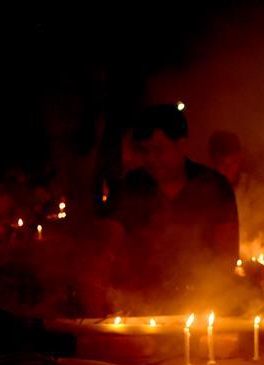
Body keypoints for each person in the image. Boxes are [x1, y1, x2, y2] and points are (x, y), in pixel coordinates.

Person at [102, 105, 239, 309]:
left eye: (158, 150)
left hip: (203, 300)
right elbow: (106, 244)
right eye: (144, 150)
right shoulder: (129, 188)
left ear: (181, 145)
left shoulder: (214, 186)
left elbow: (226, 256)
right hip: (139, 302)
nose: (151, 159)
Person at [208, 130, 264, 254]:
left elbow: (262, 226)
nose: (228, 169)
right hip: (212, 257)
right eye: (223, 164)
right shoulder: (202, 190)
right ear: (213, 161)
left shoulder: (254, 189)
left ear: (240, 158)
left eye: (233, 163)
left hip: (249, 252)